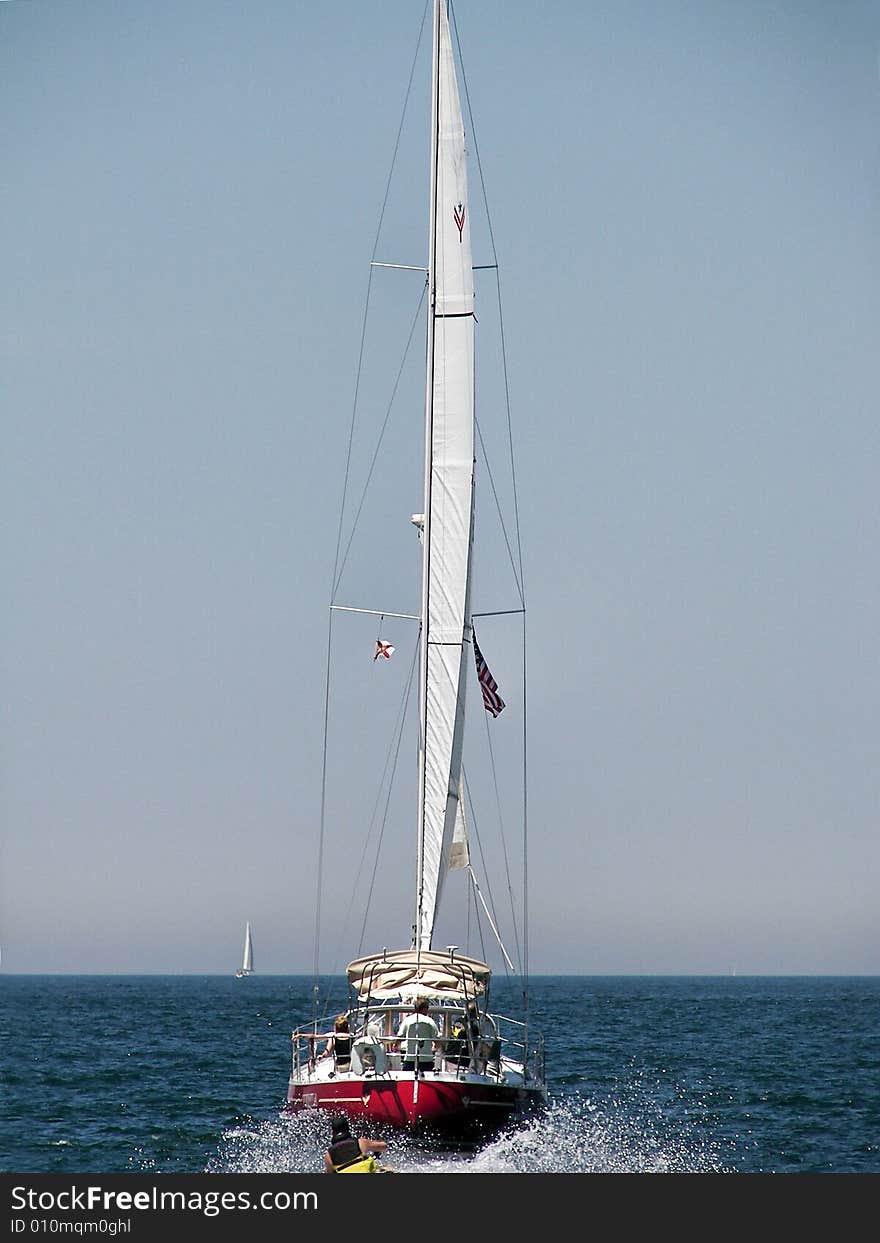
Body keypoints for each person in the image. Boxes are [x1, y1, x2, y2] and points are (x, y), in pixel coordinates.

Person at [324, 1116, 388, 1174]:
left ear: (332, 1132)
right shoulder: (360, 1143)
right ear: (348, 1129)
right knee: (387, 1167)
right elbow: (384, 1146)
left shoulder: (328, 1155)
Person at [395, 997, 440, 1073]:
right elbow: (437, 1042)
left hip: (410, 1059)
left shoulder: (407, 1020)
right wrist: (435, 1048)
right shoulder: (430, 1021)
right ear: (425, 1009)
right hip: (427, 1060)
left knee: (407, 1080)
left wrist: (396, 1047)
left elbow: (399, 1038)